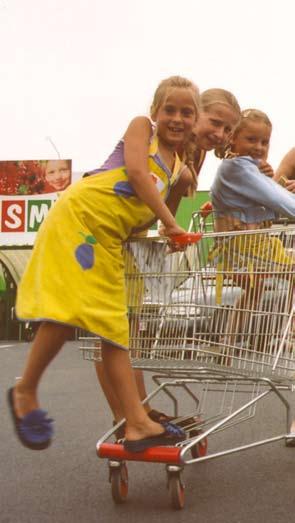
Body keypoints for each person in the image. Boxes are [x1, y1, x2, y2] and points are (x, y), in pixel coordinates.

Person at [8, 75, 200, 453]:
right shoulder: (141, 129)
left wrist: (173, 219)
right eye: (170, 109)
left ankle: (133, 421)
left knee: (101, 322)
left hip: (105, 236)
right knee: (88, 316)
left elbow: (149, 218)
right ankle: (30, 392)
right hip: (80, 218)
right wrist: (173, 223)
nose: (177, 118)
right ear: (155, 112)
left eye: (186, 112)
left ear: (195, 120)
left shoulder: (178, 167)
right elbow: (135, 174)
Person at [94, 87, 242, 436]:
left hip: (134, 241)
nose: (218, 134)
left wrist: (168, 232)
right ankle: (126, 417)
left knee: (131, 335)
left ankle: (140, 412)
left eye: (226, 130)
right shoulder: (161, 138)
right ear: (196, 112)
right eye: (214, 123)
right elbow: (141, 180)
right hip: (109, 233)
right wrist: (169, 226)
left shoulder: (192, 156)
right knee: (112, 332)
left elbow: (164, 207)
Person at [210, 108, 295, 355]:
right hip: (244, 246)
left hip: (247, 244)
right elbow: (276, 201)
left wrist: (271, 180)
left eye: (264, 142)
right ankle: (288, 335)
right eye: (251, 139)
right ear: (232, 138)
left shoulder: (242, 167)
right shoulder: (237, 167)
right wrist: (277, 189)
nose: (259, 147)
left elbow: (262, 199)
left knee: (255, 290)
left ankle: (226, 344)